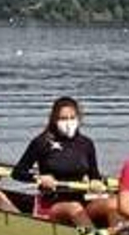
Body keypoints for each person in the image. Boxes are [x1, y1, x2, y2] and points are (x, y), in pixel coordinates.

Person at [10, 96, 115, 227]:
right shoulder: (41, 142)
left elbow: (95, 175)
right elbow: (17, 173)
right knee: (74, 208)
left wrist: (96, 182)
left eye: (72, 118)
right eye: (63, 118)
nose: (68, 122)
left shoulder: (86, 144)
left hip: (81, 202)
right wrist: (39, 178)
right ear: (54, 120)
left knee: (113, 203)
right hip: (52, 205)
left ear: (79, 119)